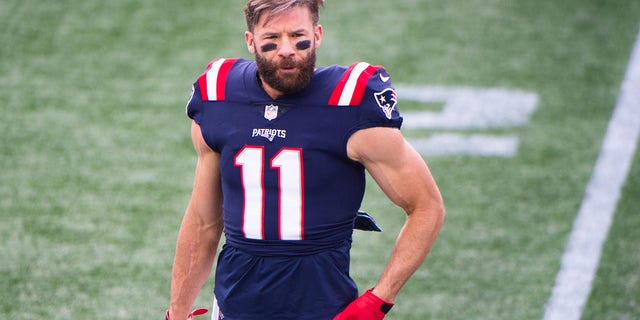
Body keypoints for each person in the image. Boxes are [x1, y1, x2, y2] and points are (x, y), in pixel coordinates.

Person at [166, 0, 445, 319]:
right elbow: (203, 222)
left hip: (323, 309)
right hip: (234, 307)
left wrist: (378, 300)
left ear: (317, 35)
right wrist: (177, 311)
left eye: (297, 36)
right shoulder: (219, 96)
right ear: (250, 41)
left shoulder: (350, 103)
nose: (286, 49)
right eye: (272, 39)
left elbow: (426, 206)